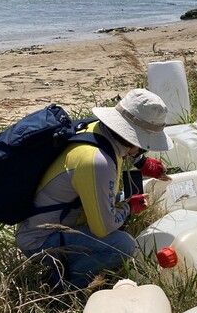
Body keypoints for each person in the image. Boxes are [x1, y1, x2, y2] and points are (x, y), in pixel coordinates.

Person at [16, 88, 173, 289]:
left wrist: (142, 162)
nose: (144, 148)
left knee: (121, 196)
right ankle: (66, 283)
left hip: (44, 218)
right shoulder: (98, 162)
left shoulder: (96, 129)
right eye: (145, 144)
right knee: (123, 245)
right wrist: (128, 208)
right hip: (40, 239)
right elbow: (103, 228)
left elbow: (126, 149)